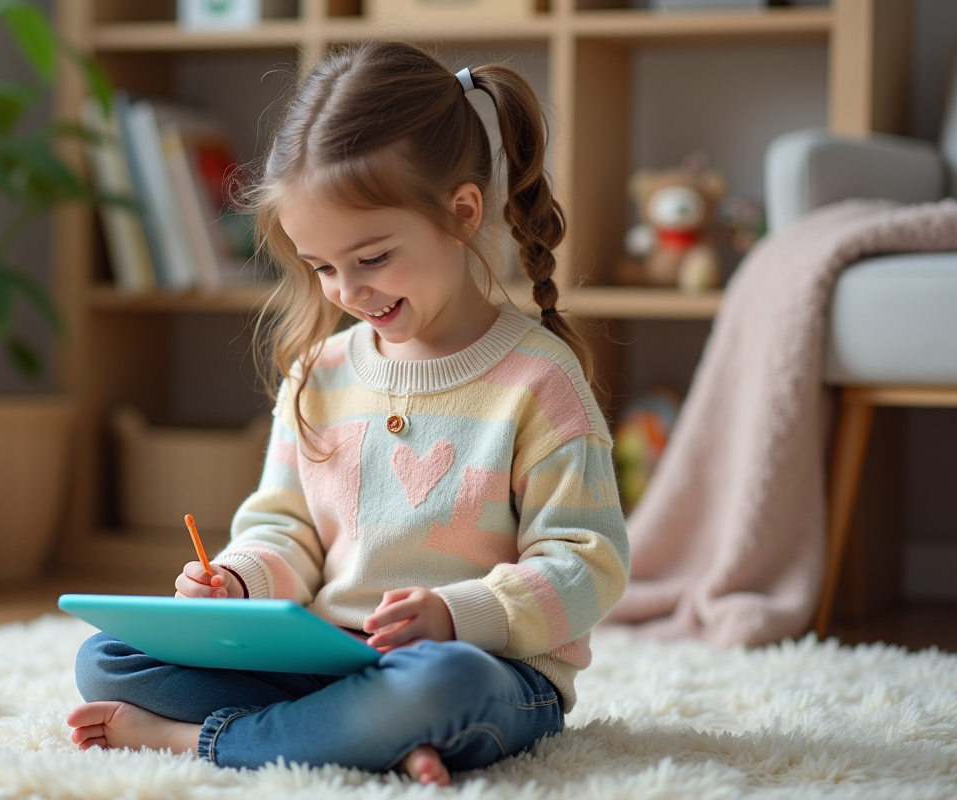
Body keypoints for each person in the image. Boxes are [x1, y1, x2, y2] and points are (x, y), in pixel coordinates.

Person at [67, 41, 629, 787]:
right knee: (107, 658)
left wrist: (456, 616)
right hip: (326, 659)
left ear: (462, 214)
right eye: (322, 267)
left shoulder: (539, 381)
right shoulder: (319, 374)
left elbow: (588, 564)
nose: (346, 292)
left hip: (484, 669)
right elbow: (286, 528)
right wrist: (239, 581)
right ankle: (365, 736)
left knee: (441, 687)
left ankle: (200, 741)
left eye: (371, 259)